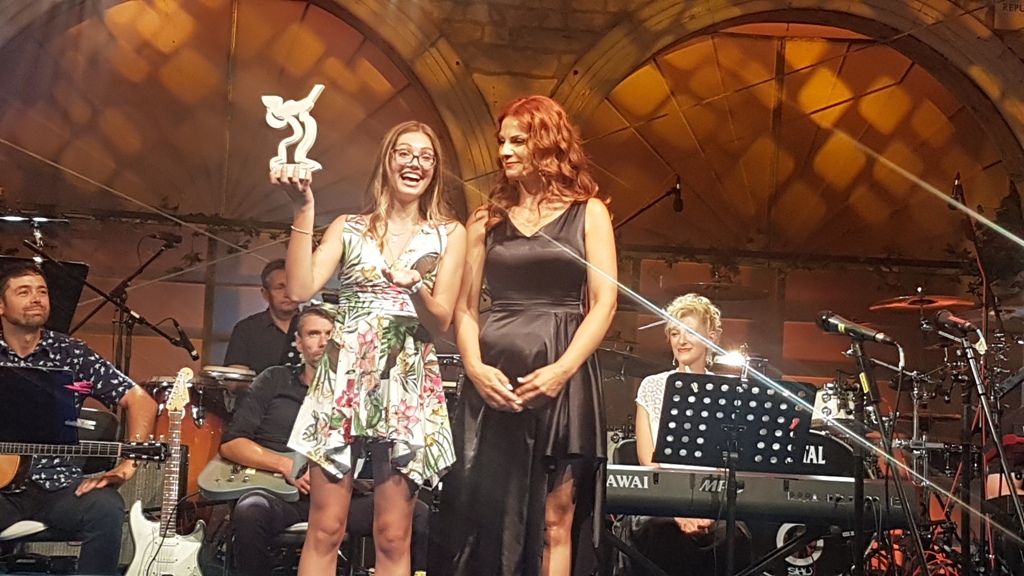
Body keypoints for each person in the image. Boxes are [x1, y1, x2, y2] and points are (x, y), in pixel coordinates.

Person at [274, 119, 465, 576]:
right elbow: (299, 289)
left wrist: (415, 287)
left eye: (426, 156)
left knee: (393, 534)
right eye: (405, 153)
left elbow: (441, 321)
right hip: (345, 377)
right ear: (387, 160)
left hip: (407, 380)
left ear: (435, 169)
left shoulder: (449, 233)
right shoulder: (349, 227)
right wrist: (303, 209)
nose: (415, 163)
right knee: (325, 528)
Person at [449, 95, 618, 576]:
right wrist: (474, 368)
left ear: (547, 143)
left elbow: (604, 302)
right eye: (502, 141)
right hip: (495, 378)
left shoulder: (588, 213)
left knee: (553, 519)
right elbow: (465, 307)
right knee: (487, 520)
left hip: (562, 375)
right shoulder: (486, 219)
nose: (504, 151)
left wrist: (562, 371)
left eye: (518, 141)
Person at [218, 305, 430, 575]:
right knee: (250, 511)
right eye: (313, 334)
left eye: (330, 334)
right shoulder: (274, 379)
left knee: (418, 514)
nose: (322, 341)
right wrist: (285, 465)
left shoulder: (362, 392)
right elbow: (232, 444)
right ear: (299, 342)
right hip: (283, 496)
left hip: (341, 496)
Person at [0, 261, 158, 575]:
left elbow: (140, 400)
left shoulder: (71, 354)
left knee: (105, 508)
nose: (36, 298)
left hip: (58, 486)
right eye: (24, 292)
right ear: (1, 306)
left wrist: (127, 466)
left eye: (42, 291)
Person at [627, 293, 752, 575]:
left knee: (733, 538)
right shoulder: (652, 386)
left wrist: (705, 514)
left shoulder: (729, 391)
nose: (681, 340)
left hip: (713, 501)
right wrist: (678, 511)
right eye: (674, 333)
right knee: (663, 535)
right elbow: (648, 461)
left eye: (690, 332)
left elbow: (729, 464)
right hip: (662, 500)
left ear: (712, 337)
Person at [224, 258, 301, 374]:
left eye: (292, 286)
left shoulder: (315, 327)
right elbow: (236, 376)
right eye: (280, 288)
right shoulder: (247, 329)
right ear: (265, 294)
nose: (287, 294)